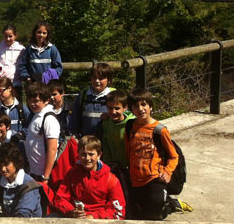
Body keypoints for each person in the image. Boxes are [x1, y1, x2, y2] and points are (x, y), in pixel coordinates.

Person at [126, 88, 180, 220]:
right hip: (135, 178)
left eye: (144, 104)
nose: (140, 109)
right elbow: (128, 151)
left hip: (154, 177)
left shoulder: (159, 130)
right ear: (131, 109)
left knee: (155, 213)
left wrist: (167, 172)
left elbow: (174, 156)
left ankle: (170, 204)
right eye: (136, 106)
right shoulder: (130, 126)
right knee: (136, 213)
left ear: (150, 106)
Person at [53, 135, 126, 219]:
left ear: (99, 155)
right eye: (83, 154)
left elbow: (118, 210)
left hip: (100, 220)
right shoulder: (72, 174)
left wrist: (93, 217)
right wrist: (71, 211)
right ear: (78, 154)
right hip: (75, 218)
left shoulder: (111, 179)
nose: (87, 158)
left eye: (91, 154)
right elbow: (60, 199)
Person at [0, 142, 42, 218]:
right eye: (0, 165)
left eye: (6, 164)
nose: (3, 169)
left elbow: (22, 216)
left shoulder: (29, 186)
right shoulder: (0, 180)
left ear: (15, 162)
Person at [24, 83, 59, 184]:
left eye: (36, 101)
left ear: (47, 100)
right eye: (30, 101)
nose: (32, 104)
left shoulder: (49, 118)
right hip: (34, 172)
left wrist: (46, 176)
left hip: (44, 175)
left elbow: (52, 149)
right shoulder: (37, 115)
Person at [69, 62, 115, 137]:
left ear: (109, 80)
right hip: (87, 143)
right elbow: (75, 120)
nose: (97, 81)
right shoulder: (83, 95)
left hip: (109, 143)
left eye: (101, 78)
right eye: (94, 77)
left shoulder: (114, 95)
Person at [99, 90, 135, 168]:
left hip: (130, 166)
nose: (113, 111)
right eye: (110, 108)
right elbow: (106, 144)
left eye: (117, 108)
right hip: (113, 165)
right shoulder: (106, 123)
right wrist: (107, 162)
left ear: (125, 107)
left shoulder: (132, 123)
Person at [0, 23, 26, 107]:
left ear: (15, 35)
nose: (8, 39)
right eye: (5, 36)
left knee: (17, 106)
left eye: (10, 36)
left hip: (16, 83)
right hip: (2, 84)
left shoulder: (22, 49)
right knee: (1, 106)